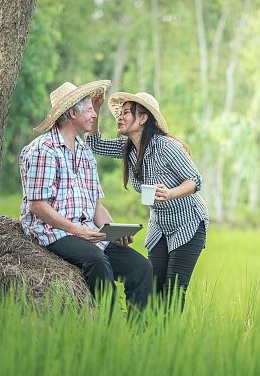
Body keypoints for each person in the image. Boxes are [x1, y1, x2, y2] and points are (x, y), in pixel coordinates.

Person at [19, 81, 153, 311]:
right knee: (97, 261)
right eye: (90, 108)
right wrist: (75, 229)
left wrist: (113, 230)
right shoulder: (44, 149)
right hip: (53, 232)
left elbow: (95, 205)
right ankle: (106, 330)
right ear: (72, 113)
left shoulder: (83, 151)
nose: (94, 114)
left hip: (85, 231)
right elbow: (37, 206)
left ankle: (137, 337)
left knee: (141, 268)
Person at [86, 92, 209, 309]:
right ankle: (148, 339)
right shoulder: (129, 149)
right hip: (160, 225)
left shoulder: (166, 146)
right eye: (119, 113)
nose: (120, 118)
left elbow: (195, 180)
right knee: (151, 288)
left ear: (143, 118)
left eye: (126, 113)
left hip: (187, 223)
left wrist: (170, 193)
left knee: (172, 292)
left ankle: (167, 340)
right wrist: (95, 109)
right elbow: (95, 144)